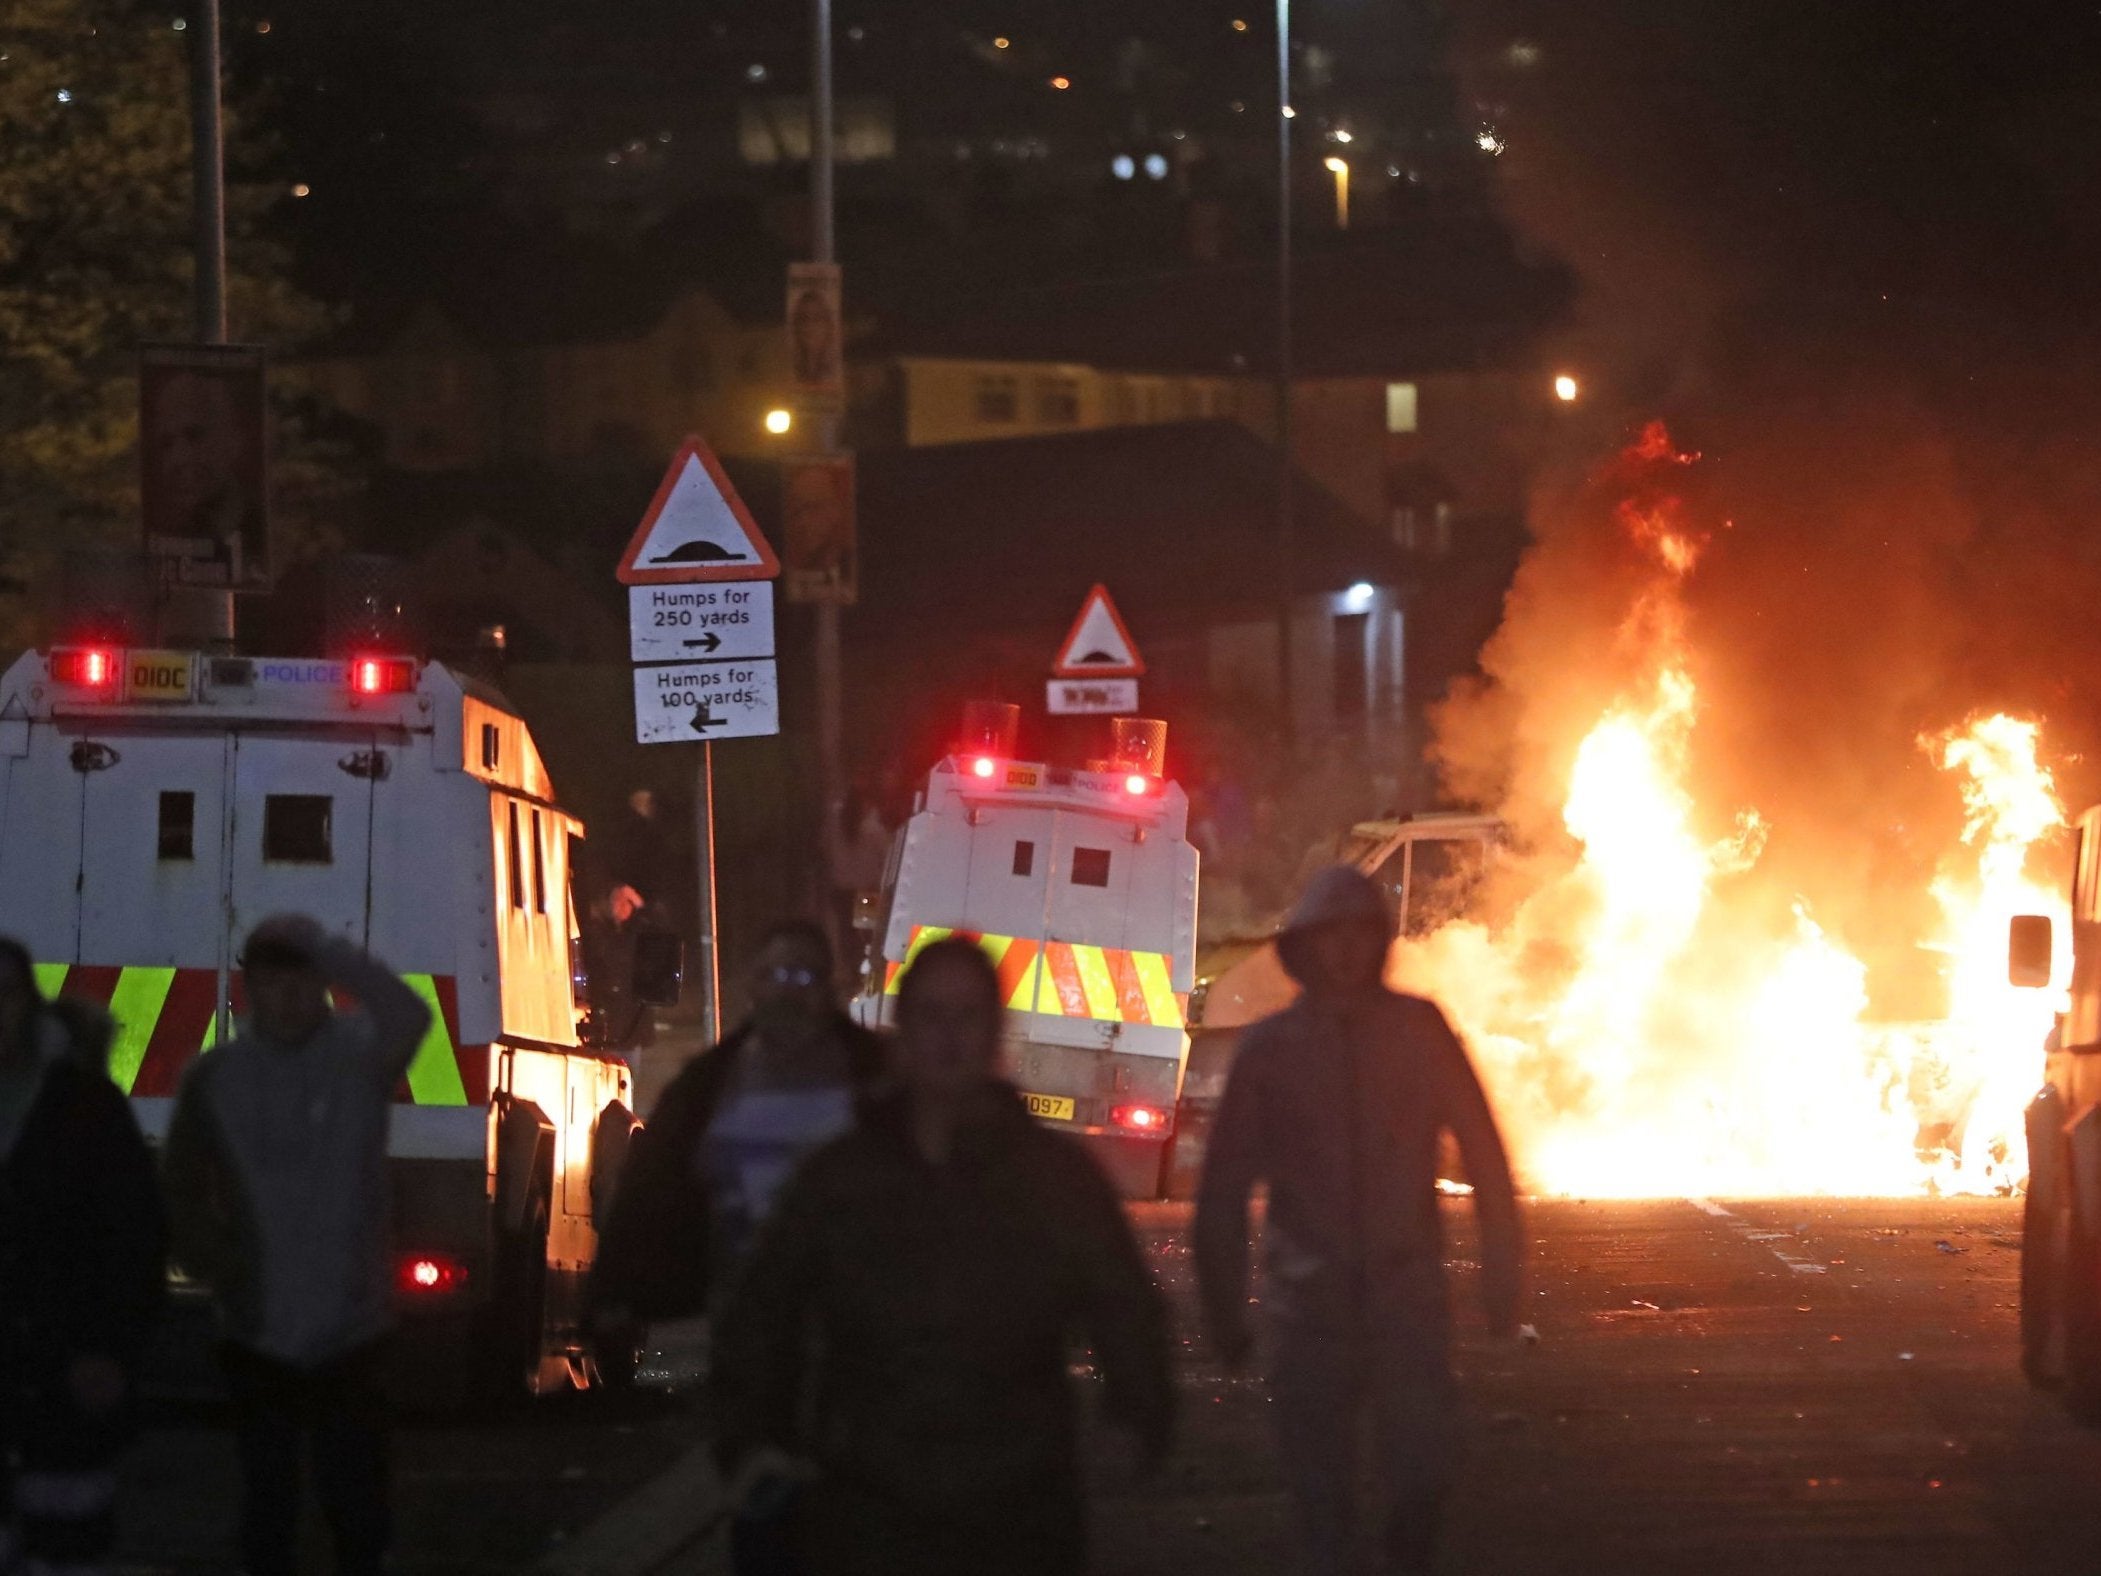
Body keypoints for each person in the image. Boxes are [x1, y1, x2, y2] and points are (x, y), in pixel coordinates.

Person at [710, 937, 1174, 1576]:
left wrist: (1139, 1411)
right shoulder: (844, 1178)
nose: (949, 1038)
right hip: (869, 1508)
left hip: (1013, 1511)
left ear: (993, 1032)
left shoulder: (1052, 1178)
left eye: (967, 1016)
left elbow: (1123, 1303)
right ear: (904, 1031)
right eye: (931, 1016)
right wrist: (751, 1442)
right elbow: (763, 1313)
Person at [1193, 866, 1523, 1576]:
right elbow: (1222, 1189)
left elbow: (1483, 1151)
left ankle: (1406, 1549)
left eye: (1358, 934)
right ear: (1304, 949)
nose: (1344, 951)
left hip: (1405, 1301)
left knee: (1423, 1473)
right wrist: (1224, 1310)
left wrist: (1502, 1274)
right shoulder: (1271, 1051)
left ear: (1378, 942)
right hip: (1308, 1310)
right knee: (1322, 1503)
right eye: (1329, 936)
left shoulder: (1417, 1031)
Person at [162, 915, 433, 1576]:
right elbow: (180, 1186)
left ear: (325, 985)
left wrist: (331, 948)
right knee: (268, 1510)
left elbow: (410, 1013)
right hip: (259, 1332)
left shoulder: (362, 1053)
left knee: (358, 1512)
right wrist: (219, 1266)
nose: (287, 995)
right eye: (271, 981)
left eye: (302, 980)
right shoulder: (215, 1077)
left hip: (353, 1329)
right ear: (249, 987)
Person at [591, 920, 885, 1330]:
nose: (787, 991)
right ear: (753, 985)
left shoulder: (881, 1079)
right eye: (773, 976)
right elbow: (653, 1182)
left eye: (801, 975)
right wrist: (618, 1289)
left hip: (851, 1317)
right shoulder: (708, 1084)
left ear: (825, 986)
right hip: (747, 1310)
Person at [0, 941, 166, 1576]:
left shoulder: (85, 1106)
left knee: (67, 1544)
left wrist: (109, 1349)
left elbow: (132, 1238)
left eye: (4, 995)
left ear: (27, 1004)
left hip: (62, 1367)